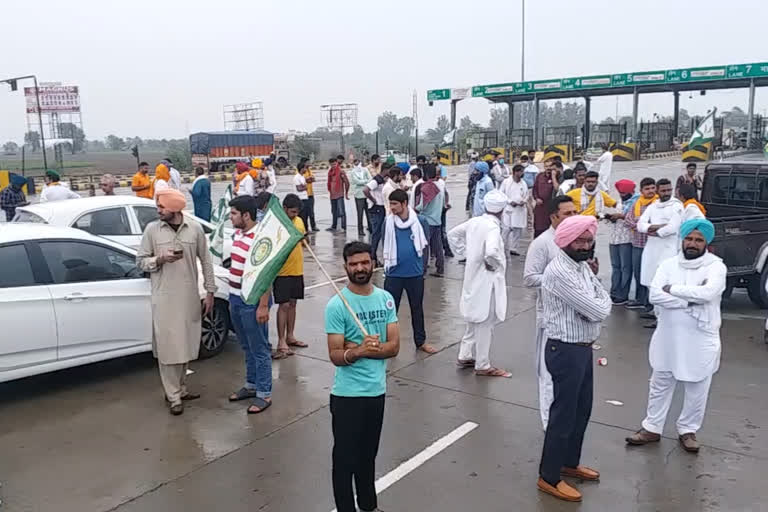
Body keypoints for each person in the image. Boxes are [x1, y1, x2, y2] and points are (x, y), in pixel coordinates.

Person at [626, 219, 726, 454]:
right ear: (682, 239)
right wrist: (691, 300)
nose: (692, 243)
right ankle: (652, 427)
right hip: (669, 336)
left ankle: (688, 430)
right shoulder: (668, 264)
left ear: (706, 243)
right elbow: (654, 296)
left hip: (700, 337)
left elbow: (709, 292)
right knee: (660, 382)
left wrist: (673, 290)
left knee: (697, 385)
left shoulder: (715, 266)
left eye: (698, 240)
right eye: (689, 239)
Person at [537, 215, 611, 503]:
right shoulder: (558, 272)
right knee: (563, 415)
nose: (584, 245)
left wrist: (597, 302)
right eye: (579, 240)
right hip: (565, 349)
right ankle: (550, 476)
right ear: (566, 241)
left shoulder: (581, 267)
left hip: (583, 347)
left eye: (588, 240)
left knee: (582, 410)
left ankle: (570, 462)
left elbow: (602, 297)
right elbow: (599, 310)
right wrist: (597, 304)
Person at [325, 241, 400, 512]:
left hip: (376, 392)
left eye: (364, 263)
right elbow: (335, 354)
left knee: (368, 457)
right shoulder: (336, 305)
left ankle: (369, 506)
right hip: (347, 396)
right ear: (345, 267)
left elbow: (394, 347)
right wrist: (356, 352)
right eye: (354, 264)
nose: (359, 268)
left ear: (373, 263)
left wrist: (361, 350)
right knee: (344, 461)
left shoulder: (385, 298)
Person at [136, 188, 216, 415]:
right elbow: (140, 261)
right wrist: (160, 259)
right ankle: (173, 396)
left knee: (187, 344)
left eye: (161, 206)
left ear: (174, 208)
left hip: (189, 296)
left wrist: (210, 291)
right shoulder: (152, 230)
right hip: (164, 299)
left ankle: (180, 389)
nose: (158, 210)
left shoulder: (195, 229)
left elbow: (206, 261)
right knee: (168, 347)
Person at [523, 196, 578, 430]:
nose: (573, 217)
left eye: (575, 212)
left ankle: (564, 417)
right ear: (553, 216)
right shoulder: (543, 243)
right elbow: (529, 278)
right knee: (548, 373)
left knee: (570, 375)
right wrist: (559, 281)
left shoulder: (576, 241)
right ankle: (550, 423)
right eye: (567, 214)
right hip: (550, 318)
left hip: (574, 319)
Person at [448, 190, 511, 377]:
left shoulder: (475, 221)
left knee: (474, 317)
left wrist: (468, 254)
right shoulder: (492, 227)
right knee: (484, 321)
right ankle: (483, 364)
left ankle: (465, 355)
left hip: (472, 277)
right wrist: (493, 264)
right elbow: (491, 252)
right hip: (487, 282)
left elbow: (452, 235)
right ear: (501, 210)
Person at [226, 194, 274, 414]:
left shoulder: (260, 239)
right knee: (245, 346)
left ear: (246, 215)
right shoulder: (239, 234)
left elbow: (266, 273)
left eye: (234, 213)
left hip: (253, 301)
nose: (230, 217)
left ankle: (264, 393)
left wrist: (263, 305)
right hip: (235, 297)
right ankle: (251, 384)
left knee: (259, 348)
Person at [383, 189, 437, 354]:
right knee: (389, 311)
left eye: (395, 204)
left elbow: (425, 245)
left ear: (404, 204)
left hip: (414, 274)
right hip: (393, 274)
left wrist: (423, 269)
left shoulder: (420, 221)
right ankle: (386, 342)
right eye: (390, 203)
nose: (391, 207)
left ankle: (420, 342)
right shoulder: (389, 222)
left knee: (417, 309)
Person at [638, 178, 684, 327]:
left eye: (669, 190)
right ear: (657, 191)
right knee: (651, 282)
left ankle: (663, 319)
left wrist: (654, 231)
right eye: (663, 190)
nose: (666, 193)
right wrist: (656, 227)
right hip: (651, 250)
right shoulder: (653, 206)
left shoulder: (677, 206)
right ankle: (656, 313)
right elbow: (640, 225)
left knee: (664, 284)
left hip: (668, 251)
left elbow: (672, 228)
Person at [273, 194, 308, 359]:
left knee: (293, 304)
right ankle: (281, 341)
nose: (294, 214)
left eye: (296, 212)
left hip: (297, 269)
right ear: (284, 209)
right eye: (292, 212)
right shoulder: (278, 223)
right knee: (284, 305)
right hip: (282, 271)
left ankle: (290, 335)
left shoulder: (299, 221)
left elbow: (302, 239)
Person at [623, 177, 658, 311]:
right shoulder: (637, 203)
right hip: (637, 244)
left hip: (654, 245)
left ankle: (651, 303)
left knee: (652, 274)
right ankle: (640, 299)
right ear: (641, 190)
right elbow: (628, 221)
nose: (650, 191)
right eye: (647, 189)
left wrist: (643, 225)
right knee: (638, 273)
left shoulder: (658, 204)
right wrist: (642, 226)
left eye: (652, 188)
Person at [606, 179, 639, 305]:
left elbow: (635, 219)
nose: (622, 195)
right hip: (614, 238)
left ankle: (623, 294)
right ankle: (614, 292)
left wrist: (621, 216)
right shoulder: (620, 202)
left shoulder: (636, 202)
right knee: (615, 267)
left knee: (626, 268)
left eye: (624, 193)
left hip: (627, 238)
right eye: (620, 193)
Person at [415, 165, 446, 277]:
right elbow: (443, 205)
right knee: (438, 246)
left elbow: (421, 206)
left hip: (426, 221)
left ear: (426, 174)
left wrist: (414, 209)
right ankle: (440, 268)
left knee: (424, 247)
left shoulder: (427, 187)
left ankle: (422, 271)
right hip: (437, 220)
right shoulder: (441, 186)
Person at [499, 164, 528, 256]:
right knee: (506, 229)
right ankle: (501, 247)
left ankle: (513, 248)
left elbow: (526, 195)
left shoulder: (523, 183)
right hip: (509, 209)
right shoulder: (506, 182)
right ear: (515, 172)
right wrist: (510, 201)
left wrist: (524, 201)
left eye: (522, 171)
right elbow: (501, 194)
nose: (521, 173)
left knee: (518, 230)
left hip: (520, 210)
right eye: (520, 171)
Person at [363, 170, 387, 266]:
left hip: (380, 208)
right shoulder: (377, 180)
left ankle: (374, 257)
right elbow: (365, 190)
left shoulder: (382, 180)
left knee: (378, 233)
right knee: (376, 234)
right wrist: (373, 200)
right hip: (376, 208)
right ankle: (372, 257)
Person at [532, 159, 560, 237]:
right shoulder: (540, 176)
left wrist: (553, 176)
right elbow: (535, 189)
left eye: (550, 166)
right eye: (546, 166)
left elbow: (557, 189)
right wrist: (536, 198)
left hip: (550, 208)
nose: (548, 168)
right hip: (540, 208)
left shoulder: (557, 177)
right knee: (538, 229)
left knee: (550, 229)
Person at [350, 158, 372, 237]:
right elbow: (357, 182)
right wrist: (365, 181)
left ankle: (370, 227)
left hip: (367, 194)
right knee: (360, 214)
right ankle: (360, 230)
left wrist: (363, 181)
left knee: (369, 212)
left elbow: (370, 179)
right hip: (358, 195)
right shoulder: (352, 172)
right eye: (355, 163)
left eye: (358, 162)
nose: (357, 164)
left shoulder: (365, 170)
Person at [327, 155, 350, 232]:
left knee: (341, 211)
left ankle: (343, 228)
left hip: (339, 194)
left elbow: (347, 183)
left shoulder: (341, 171)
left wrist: (346, 193)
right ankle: (334, 226)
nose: (333, 166)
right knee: (334, 211)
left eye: (334, 164)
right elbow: (329, 183)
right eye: (332, 164)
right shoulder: (330, 172)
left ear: (337, 163)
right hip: (332, 195)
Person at [299, 160, 318, 232]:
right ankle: (305, 228)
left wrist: (309, 179)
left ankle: (313, 226)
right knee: (305, 213)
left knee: (311, 212)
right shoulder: (299, 172)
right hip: (304, 195)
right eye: (307, 162)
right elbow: (304, 180)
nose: (309, 164)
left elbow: (313, 179)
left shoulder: (309, 170)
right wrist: (308, 179)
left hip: (310, 194)